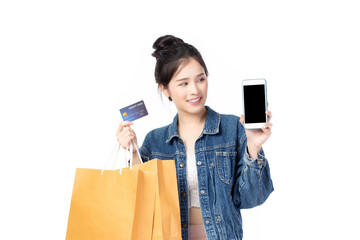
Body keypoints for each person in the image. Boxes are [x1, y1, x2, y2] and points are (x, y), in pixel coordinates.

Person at [116, 35, 274, 240]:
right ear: (165, 89)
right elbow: (143, 204)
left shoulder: (233, 128)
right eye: (184, 83)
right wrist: (132, 151)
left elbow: (252, 198)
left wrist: (253, 147)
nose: (195, 90)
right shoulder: (155, 141)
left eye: (201, 79)